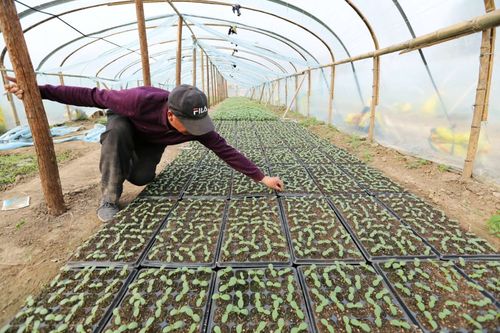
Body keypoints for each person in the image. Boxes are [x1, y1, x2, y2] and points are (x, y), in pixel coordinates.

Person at [4, 78, 285, 222]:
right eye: (189, 125)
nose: (195, 131)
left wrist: (262, 178)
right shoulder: (138, 101)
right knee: (117, 134)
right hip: (125, 124)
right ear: (172, 115)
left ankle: (125, 164)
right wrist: (39, 90)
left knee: (140, 178)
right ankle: (109, 198)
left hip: (151, 140)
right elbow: (89, 95)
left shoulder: (197, 127)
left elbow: (226, 150)